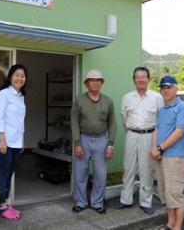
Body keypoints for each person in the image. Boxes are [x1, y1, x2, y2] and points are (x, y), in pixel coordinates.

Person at [116, 67, 163, 215]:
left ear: (148, 79)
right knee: (128, 167)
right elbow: (124, 118)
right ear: (134, 80)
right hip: (131, 134)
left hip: (149, 136)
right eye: (137, 77)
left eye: (144, 77)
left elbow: (161, 121)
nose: (141, 79)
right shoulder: (127, 98)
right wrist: (132, 131)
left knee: (146, 170)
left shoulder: (156, 97)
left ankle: (145, 202)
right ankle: (126, 199)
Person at [70, 69, 116, 215]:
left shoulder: (108, 101)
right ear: (87, 83)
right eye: (92, 80)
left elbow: (112, 123)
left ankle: (97, 202)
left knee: (100, 174)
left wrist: (110, 144)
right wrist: (77, 143)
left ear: (101, 83)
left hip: (102, 140)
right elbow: (74, 122)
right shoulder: (79, 100)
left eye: (98, 80)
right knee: (80, 173)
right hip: (83, 139)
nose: (95, 82)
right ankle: (80, 202)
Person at [150, 75, 184, 230]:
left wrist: (160, 148)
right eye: (163, 88)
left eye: (169, 87)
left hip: (175, 156)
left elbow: (179, 132)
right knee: (166, 192)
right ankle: (170, 224)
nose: (165, 90)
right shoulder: (162, 109)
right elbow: (157, 130)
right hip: (161, 156)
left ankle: (177, 227)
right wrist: (154, 148)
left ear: (176, 89)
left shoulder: (182, 107)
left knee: (175, 194)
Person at [0, 64, 27, 220]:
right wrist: (3, 140)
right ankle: (1, 206)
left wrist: (22, 140)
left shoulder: (20, 97)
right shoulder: (3, 94)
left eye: (22, 76)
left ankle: (5, 203)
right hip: (3, 142)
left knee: (9, 174)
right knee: (3, 174)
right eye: (17, 75)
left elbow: (20, 121)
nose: (20, 78)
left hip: (16, 142)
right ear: (10, 77)